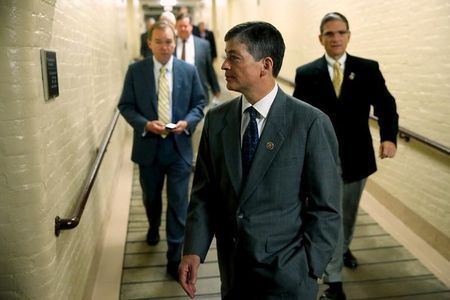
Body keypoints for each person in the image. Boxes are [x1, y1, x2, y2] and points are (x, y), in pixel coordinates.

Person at [179, 21, 342, 300]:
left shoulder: (310, 123)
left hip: (288, 277)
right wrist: (193, 249)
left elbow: (326, 207)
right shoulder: (217, 120)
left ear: (265, 65)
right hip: (233, 275)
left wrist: (310, 267)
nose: (224, 66)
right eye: (225, 56)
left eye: (234, 57)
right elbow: (205, 194)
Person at [293, 12, 399, 300]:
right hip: (320, 158)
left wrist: (388, 137)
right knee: (332, 216)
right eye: (330, 34)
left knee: (347, 215)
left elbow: (386, 105)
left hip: (357, 158)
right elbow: (299, 118)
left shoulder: (367, 69)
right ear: (321, 39)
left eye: (341, 33)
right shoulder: (306, 73)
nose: (336, 38)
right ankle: (334, 280)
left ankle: (343, 247)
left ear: (349, 36)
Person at [117, 20, 206, 280]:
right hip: (149, 148)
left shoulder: (188, 71)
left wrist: (187, 122)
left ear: (174, 42)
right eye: (160, 42)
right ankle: (153, 225)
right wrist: (145, 124)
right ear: (150, 43)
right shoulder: (136, 71)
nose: (165, 47)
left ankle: (174, 256)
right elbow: (126, 106)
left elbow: (199, 103)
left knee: (179, 204)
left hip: (179, 149)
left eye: (169, 42)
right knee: (151, 198)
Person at [175, 13, 220, 105]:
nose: (183, 29)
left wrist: (215, 88)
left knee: (198, 116)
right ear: (176, 27)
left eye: (185, 26)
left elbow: (209, 68)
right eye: (180, 26)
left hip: (198, 90)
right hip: (176, 92)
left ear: (191, 27)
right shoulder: (170, 45)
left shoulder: (203, 45)